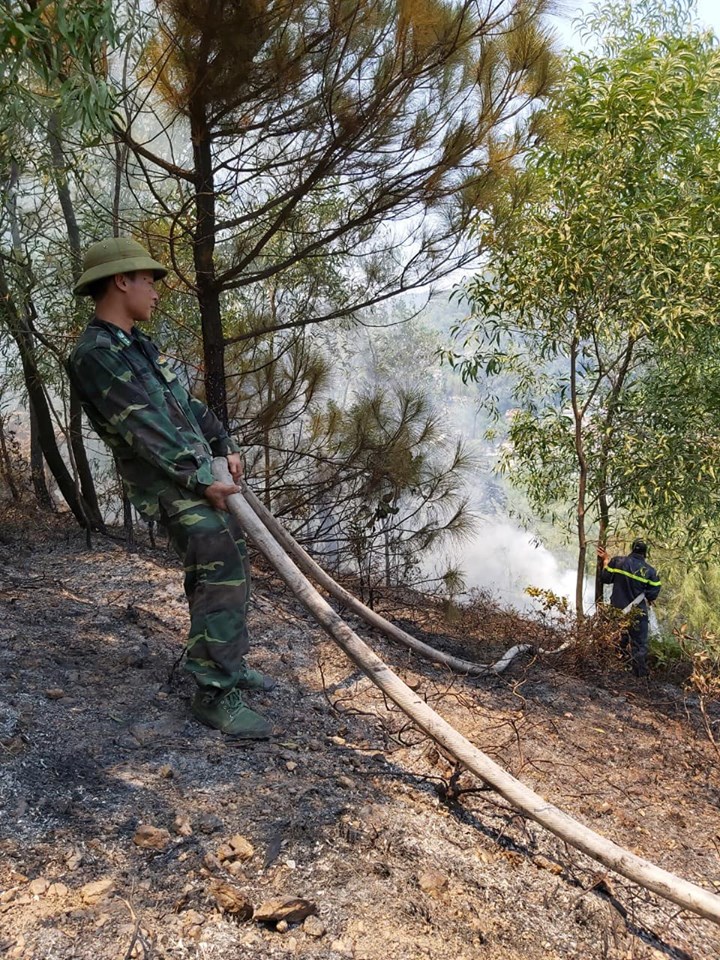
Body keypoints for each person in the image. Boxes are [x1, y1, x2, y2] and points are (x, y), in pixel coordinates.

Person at [68, 237, 273, 738]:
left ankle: (226, 660)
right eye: (149, 281)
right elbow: (145, 429)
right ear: (122, 281)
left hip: (195, 473)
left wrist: (223, 443)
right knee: (218, 565)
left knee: (228, 563)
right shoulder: (95, 354)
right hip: (169, 482)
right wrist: (200, 477)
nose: (156, 292)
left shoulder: (135, 344)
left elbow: (183, 404)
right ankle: (214, 692)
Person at [597, 538, 661, 678]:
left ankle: (616, 670)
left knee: (618, 639)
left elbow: (606, 578)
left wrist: (606, 560)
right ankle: (640, 677)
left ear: (632, 549)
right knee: (639, 645)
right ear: (645, 553)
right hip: (638, 612)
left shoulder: (618, 562)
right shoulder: (650, 572)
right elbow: (653, 593)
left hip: (617, 610)